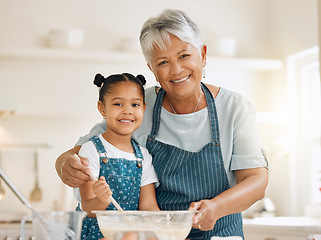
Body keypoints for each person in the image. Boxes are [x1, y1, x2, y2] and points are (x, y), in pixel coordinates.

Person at [56, 9, 268, 240]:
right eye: (163, 62)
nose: (176, 70)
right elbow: (72, 157)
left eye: (184, 56)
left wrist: (216, 207)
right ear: (152, 69)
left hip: (221, 234)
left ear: (203, 54)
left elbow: (256, 181)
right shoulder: (138, 105)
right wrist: (66, 167)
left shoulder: (234, 107)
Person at [74, 73, 160, 240]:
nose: (127, 111)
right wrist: (101, 200)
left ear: (143, 108)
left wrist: (164, 229)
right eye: (118, 104)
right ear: (102, 108)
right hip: (95, 234)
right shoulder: (90, 150)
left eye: (135, 104)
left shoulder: (143, 156)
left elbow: (148, 206)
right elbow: (87, 208)